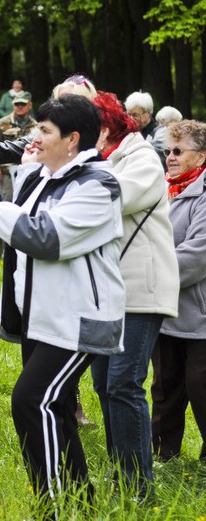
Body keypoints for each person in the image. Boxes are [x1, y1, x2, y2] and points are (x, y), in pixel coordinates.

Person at [0, 94, 125, 510]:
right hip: (44, 319)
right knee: (51, 407)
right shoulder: (53, 177)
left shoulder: (97, 183)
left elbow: (43, 238)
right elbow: (27, 219)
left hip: (79, 320)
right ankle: (79, 503)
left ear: (72, 139)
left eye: (45, 131)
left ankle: (55, 507)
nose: (34, 137)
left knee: (33, 402)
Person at [89, 92, 178, 499]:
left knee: (124, 384)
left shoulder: (141, 158)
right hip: (110, 290)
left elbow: (107, 200)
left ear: (104, 129)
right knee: (105, 383)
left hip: (142, 288)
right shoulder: (108, 159)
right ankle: (120, 469)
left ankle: (139, 486)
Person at [151, 119, 206, 462]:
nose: (169, 157)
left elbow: (198, 253)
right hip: (166, 312)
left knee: (201, 388)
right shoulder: (165, 189)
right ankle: (163, 455)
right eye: (167, 151)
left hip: (200, 317)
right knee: (165, 388)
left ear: (201, 156)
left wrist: (150, 273)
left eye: (177, 151)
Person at [0, 91, 37, 202]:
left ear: (30, 105)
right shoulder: (2, 123)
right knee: (6, 201)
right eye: (17, 104)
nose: (20, 107)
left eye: (23, 104)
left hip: (29, 172)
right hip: (7, 172)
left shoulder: (36, 126)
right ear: (13, 105)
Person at [126, 91, 165, 163]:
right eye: (128, 115)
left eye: (135, 115)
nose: (131, 118)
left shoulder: (160, 134)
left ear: (149, 114)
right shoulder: (128, 134)